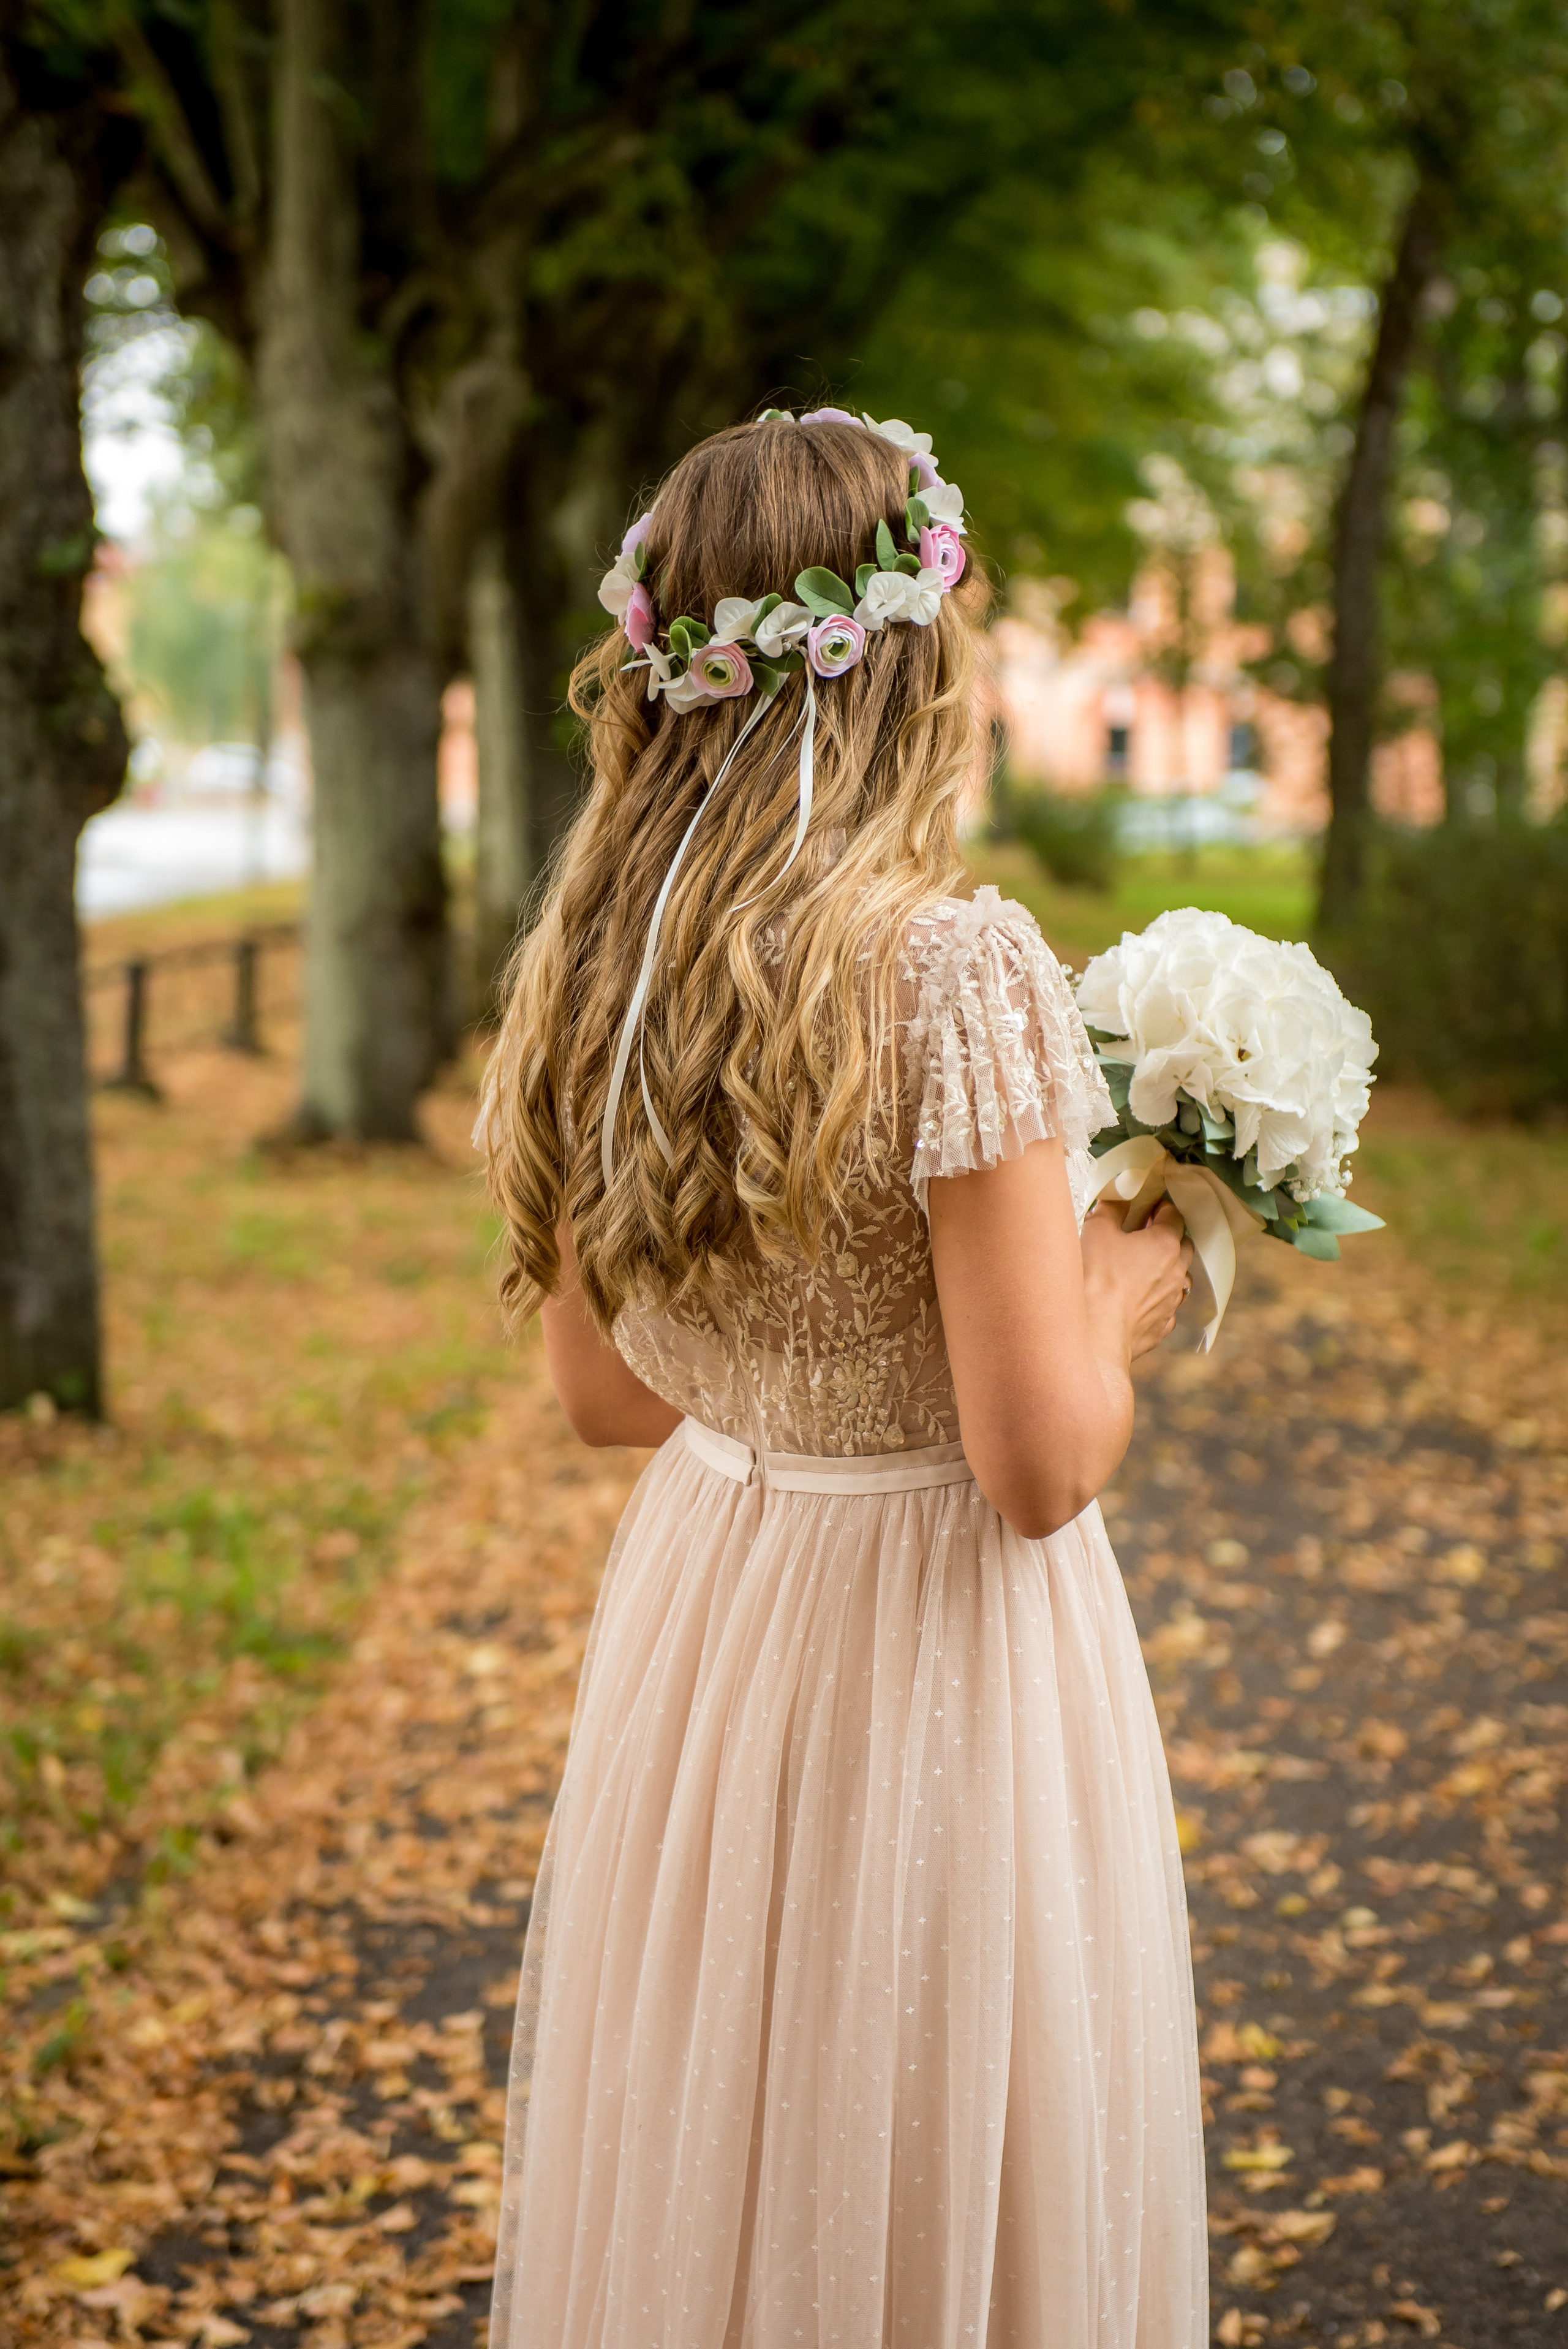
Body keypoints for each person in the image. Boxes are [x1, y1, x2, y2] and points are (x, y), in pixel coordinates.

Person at [479, 409, 1205, 2348]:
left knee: (727, 2151)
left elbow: (610, 1398)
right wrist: (1135, 1270)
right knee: (935, 2139)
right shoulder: (949, 968)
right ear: (913, 663)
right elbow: (1038, 1461)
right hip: (936, 1643)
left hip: (709, 1619)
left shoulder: (592, 967)